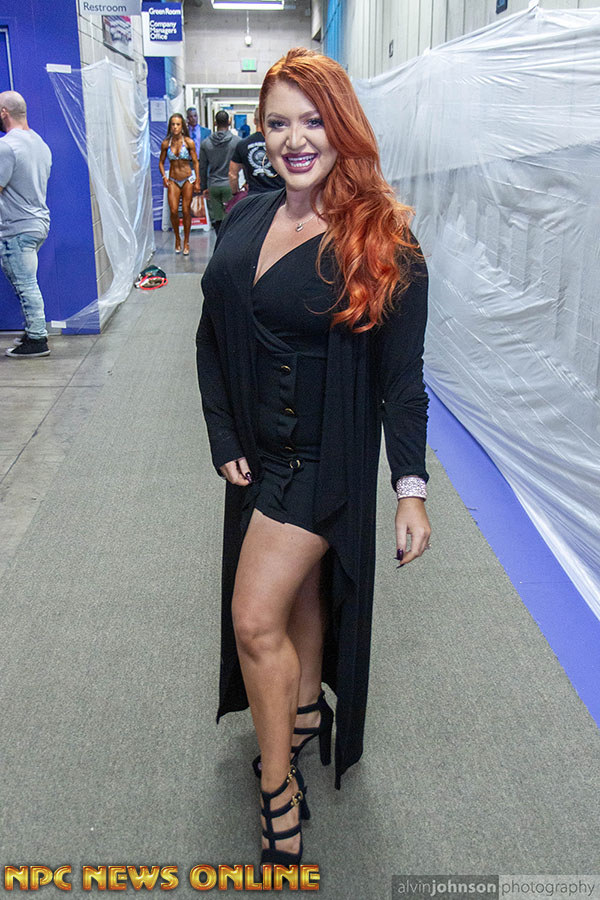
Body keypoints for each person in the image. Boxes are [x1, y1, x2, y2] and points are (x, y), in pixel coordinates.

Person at [195, 48, 431, 867]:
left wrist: (409, 490)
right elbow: (213, 334)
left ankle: (277, 789)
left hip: (322, 465)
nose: (295, 139)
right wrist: (222, 434)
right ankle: (299, 717)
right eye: (278, 122)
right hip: (257, 457)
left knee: (254, 618)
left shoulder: (384, 238)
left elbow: (403, 382)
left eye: (313, 120)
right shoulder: (248, 215)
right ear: (259, 132)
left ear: (343, 126)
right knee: (295, 604)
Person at [0, 90, 52, 359]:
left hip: (17, 227)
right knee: (26, 282)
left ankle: (37, 338)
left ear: (4, 113)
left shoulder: (7, 146)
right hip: (37, 223)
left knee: (25, 284)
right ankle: (33, 330)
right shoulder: (40, 144)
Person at [158, 114, 200, 256]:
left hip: (187, 178)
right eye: (173, 124)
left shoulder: (188, 142)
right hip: (173, 180)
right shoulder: (166, 143)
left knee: (186, 210)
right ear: (170, 126)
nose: (175, 127)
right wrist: (164, 177)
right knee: (174, 210)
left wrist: (197, 180)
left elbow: (195, 162)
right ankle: (177, 238)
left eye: (178, 124)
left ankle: (186, 241)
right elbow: (161, 162)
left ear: (182, 126)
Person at [199, 110, 240, 235]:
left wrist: (204, 187)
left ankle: (219, 242)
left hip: (214, 186)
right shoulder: (237, 142)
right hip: (230, 186)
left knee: (217, 219)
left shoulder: (206, 144)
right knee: (231, 219)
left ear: (215, 123)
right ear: (229, 122)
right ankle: (229, 244)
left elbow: (202, 167)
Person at [228, 107, 284, 197]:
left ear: (254, 121)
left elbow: (232, 174)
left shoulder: (243, 144)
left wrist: (235, 192)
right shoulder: (280, 143)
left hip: (254, 197)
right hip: (278, 197)